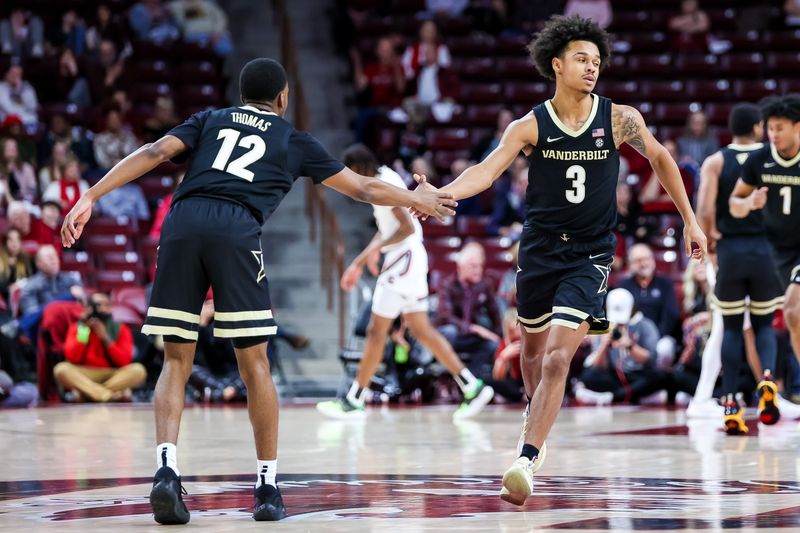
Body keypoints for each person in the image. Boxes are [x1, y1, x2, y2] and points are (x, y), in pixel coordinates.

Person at [60, 58, 456, 524]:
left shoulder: (209, 119)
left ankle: (166, 470)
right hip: (235, 227)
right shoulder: (292, 139)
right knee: (254, 363)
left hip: (182, 224)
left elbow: (152, 153)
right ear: (284, 99)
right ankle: (267, 486)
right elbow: (365, 189)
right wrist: (416, 197)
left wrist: (90, 195)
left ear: (240, 95)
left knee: (174, 358)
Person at [412, 15, 705, 505]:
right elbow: (485, 172)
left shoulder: (618, 118)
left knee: (556, 357)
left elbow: (660, 158)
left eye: (596, 61)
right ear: (556, 64)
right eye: (581, 60)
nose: (591, 68)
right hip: (540, 249)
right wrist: (441, 193)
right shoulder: (529, 125)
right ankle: (535, 414)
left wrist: (691, 220)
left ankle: (526, 457)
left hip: (590, 253)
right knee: (530, 351)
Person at [316, 145, 494, 421]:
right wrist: (362, 259)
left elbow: (406, 227)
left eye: (351, 172)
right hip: (410, 257)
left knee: (377, 329)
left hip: (404, 258)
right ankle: (471, 386)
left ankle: (354, 399)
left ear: (360, 168)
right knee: (422, 331)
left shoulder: (384, 183)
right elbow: (389, 227)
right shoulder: (382, 178)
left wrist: (371, 255)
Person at [696, 103, 784, 434]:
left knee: (731, 328)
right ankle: (767, 382)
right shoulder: (772, 156)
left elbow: (704, 207)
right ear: (759, 127)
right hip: (766, 251)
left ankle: (730, 401)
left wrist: (712, 244)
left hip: (730, 251)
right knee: (763, 325)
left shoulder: (716, 160)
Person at [731, 95, 800, 431]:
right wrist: (750, 202)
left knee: (792, 311)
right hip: (772, 250)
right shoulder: (760, 160)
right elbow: (734, 203)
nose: (773, 134)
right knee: (757, 321)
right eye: (770, 128)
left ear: (798, 128)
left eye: (780, 128)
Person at [574, 288, 664, 405]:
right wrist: (604, 345)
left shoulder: (646, 325)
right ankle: (636, 397)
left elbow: (651, 359)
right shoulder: (604, 327)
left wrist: (630, 346)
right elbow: (599, 366)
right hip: (614, 376)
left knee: (660, 377)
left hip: (639, 374)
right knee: (589, 376)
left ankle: (612, 397)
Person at [54, 292, 146, 402]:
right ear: (88, 308)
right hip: (85, 373)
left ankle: (88, 394)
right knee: (61, 369)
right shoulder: (78, 327)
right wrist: (85, 331)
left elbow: (124, 361)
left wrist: (105, 337)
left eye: (106, 305)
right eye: (97, 305)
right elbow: (73, 358)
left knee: (138, 370)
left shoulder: (121, 329)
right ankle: (109, 395)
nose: (102, 308)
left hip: (113, 373)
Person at [435, 242, 504, 382]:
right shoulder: (447, 284)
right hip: (450, 335)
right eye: (473, 266)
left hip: (469, 336)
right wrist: (474, 328)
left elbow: (495, 313)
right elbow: (446, 317)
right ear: (460, 267)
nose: (478, 270)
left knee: (492, 344)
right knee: (450, 331)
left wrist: (499, 337)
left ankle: (470, 380)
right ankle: (445, 374)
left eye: (480, 266)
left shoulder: (484, 285)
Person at [620, 243, 681, 368]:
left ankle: (660, 382)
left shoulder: (665, 284)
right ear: (630, 264)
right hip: (631, 336)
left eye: (647, 259)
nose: (643, 263)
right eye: (638, 260)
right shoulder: (624, 285)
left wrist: (653, 337)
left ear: (653, 260)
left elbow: (671, 314)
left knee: (665, 348)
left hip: (660, 335)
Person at [0, 228, 34, 303]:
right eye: (10, 240)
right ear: (5, 242)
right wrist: (10, 288)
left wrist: (19, 285)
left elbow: (34, 279)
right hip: (4, 301)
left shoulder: (28, 259)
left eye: (17, 240)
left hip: (24, 298)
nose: (14, 243)